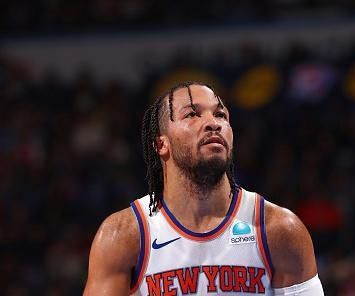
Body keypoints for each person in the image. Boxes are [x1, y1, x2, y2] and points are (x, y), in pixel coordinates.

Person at [83, 81, 324, 295]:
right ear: (161, 144)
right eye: (192, 114)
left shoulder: (279, 230)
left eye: (221, 115)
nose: (213, 123)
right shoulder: (123, 236)